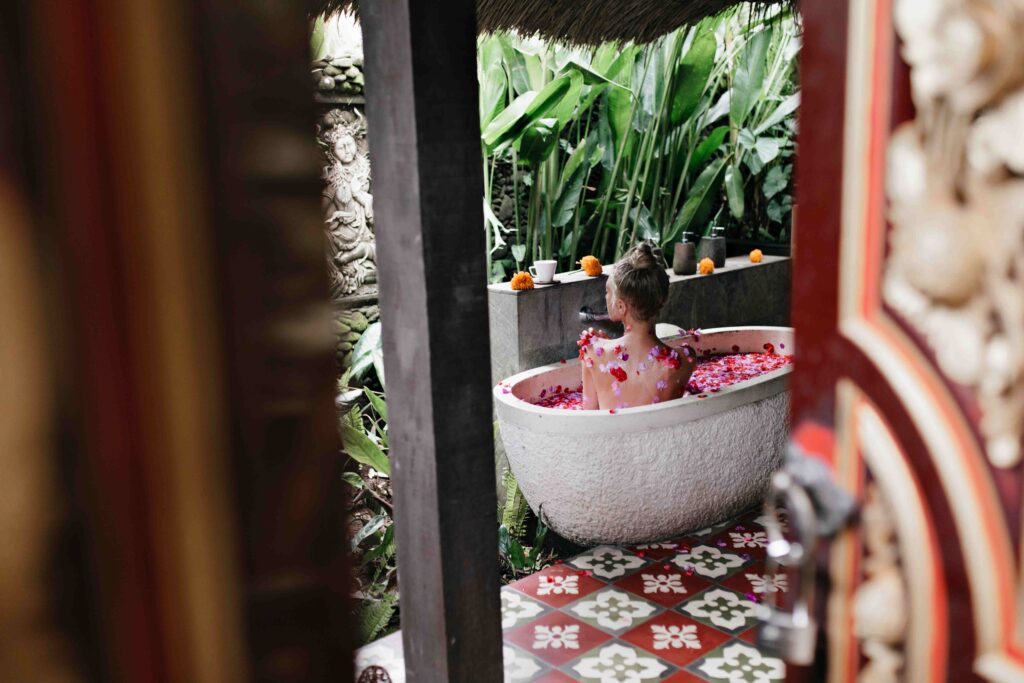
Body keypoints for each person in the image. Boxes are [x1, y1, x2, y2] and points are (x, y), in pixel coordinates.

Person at [580, 242, 696, 410]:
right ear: (661, 299)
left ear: (621, 306)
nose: (605, 297)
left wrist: (603, 346)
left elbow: (589, 417)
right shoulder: (684, 359)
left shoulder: (592, 352)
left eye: (607, 291)